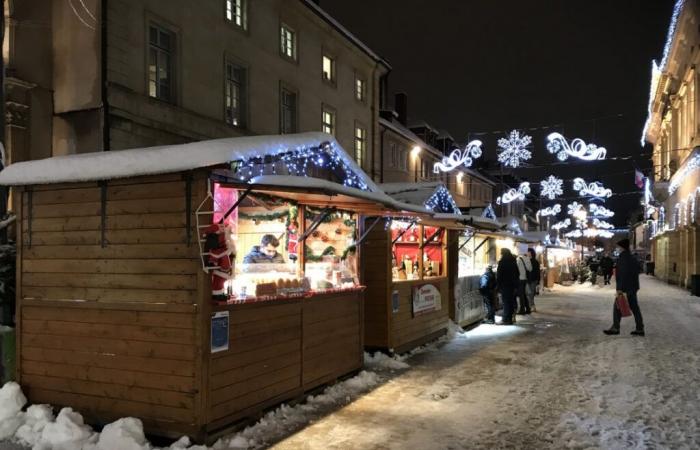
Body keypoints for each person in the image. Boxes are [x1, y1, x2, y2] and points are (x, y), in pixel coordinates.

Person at [604, 239, 645, 336]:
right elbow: (638, 270)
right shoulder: (632, 257)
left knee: (617, 306)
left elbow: (622, 274)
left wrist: (620, 288)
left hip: (625, 288)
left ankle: (615, 328)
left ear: (622, 247)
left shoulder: (623, 258)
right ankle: (640, 329)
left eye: (618, 247)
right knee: (635, 308)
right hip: (633, 287)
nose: (617, 249)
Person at [497, 248, 519, 325]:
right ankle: (510, 318)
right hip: (512, 285)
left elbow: (499, 275)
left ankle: (505, 319)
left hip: (505, 285)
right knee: (510, 301)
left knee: (505, 302)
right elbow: (517, 274)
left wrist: (498, 285)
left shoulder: (502, 262)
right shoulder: (513, 262)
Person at [527, 248, 541, 312]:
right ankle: (531, 306)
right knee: (529, 293)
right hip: (528, 279)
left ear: (531, 253)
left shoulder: (534, 261)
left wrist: (538, 280)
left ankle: (532, 306)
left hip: (533, 279)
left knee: (531, 293)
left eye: (528, 252)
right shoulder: (527, 261)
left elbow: (538, 272)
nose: (527, 253)